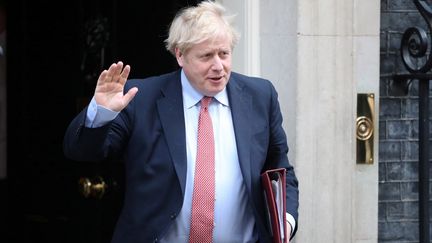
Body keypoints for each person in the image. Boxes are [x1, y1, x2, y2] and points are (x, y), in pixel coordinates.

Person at [63, 1, 299, 242]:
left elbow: (279, 169)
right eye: (206, 56)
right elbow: (83, 151)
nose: (218, 66)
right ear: (180, 55)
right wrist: (101, 112)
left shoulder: (260, 96)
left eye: (224, 54)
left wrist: (286, 222)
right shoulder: (140, 98)